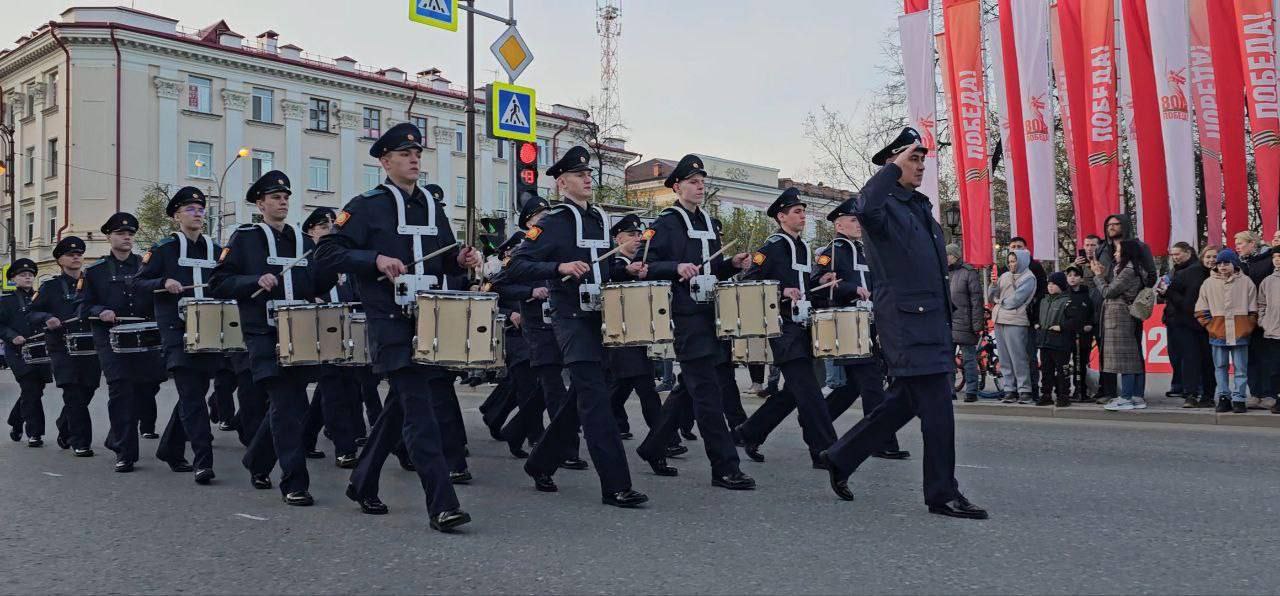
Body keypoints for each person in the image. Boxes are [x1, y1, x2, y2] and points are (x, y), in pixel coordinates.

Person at [313, 122, 475, 530]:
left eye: (417, 153)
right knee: (421, 413)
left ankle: (362, 480)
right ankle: (442, 504)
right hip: (391, 323)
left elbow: (443, 259)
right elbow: (328, 252)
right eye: (404, 154)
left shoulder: (431, 206)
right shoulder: (366, 205)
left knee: (401, 405)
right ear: (385, 162)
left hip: (431, 319)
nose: (414, 159)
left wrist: (461, 262)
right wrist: (374, 260)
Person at [818, 129, 986, 520]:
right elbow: (863, 205)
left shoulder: (919, 205)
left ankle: (840, 458)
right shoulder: (882, 206)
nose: (921, 165)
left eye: (923, 158)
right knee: (939, 409)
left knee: (902, 405)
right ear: (894, 163)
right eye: (913, 158)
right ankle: (942, 493)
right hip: (907, 326)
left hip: (931, 324)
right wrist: (891, 170)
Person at [500, 144, 650, 506]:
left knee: (581, 397)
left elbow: (598, 266)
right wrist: (558, 268)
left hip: (602, 319)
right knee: (596, 400)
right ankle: (616, 485)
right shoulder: (552, 222)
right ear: (561, 183)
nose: (587, 179)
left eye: (588, 174)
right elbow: (515, 267)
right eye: (579, 175)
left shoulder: (599, 218)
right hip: (569, 319)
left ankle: (540, 462)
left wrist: (623, 269)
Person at [209, 170, 336, 506]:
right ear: (260, 203)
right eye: (275, 197)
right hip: (263, 334)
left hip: (302, 333)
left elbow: (318, 284)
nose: (282, 202)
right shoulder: (245, 238)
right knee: (285, 403)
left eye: (285, 197)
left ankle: (257, 459)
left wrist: (333, 268)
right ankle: (295, 483)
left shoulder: (304, 242)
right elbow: (218, 282)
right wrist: (253, 281)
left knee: (289, 404)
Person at [631, 153, 753, 488]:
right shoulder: (664, 224)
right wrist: (675, 267)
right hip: (685, 316)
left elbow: (711, 268)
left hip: (713, 313)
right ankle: (725, 467)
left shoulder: (711, 224)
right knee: (707, 393)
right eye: (693, 183)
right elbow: (645, 266)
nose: (700, 188)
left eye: (702, 183)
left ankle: (653, 446)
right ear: (676, 186)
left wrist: (731, 264)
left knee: (690, 388)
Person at [135, 187, 223, 482]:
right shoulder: (163, 249)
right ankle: (203, 460)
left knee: (195, 394)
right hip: (176, 333)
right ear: (176, 216)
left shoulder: (215, 248)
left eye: (200, 209)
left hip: (210, 331)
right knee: (193, 396)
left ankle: (171, 449)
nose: (197, 214)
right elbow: (138, 284)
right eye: (190, 209)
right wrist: (164, 281)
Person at [78, 212, 167, 473]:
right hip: (111, 340)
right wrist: (100, 311)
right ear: (109, 237)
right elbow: (83, 307)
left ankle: (115, 437)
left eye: (130, 234)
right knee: (121, 390)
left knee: (144, 391)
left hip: (144, 339)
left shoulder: (144, 266)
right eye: (121, 233)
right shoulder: (94, 271)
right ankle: (125, 453)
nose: (127, 237)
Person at [492, 195, 554, 459]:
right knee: (533, 386)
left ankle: (513, 429)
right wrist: (530, 291)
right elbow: (497, 285)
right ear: (529, 223)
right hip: (526, 327)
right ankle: (536, 438)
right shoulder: (521, 250)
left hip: (556, 324)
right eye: (541, 217)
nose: (547, 221)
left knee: (546, 387)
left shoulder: (554, 246)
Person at [29, 236, 101, 457]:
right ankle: (81, 442)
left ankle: (64, 422)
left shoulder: (92, 282)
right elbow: (32, 313)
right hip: (62, 346)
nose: (76, 257)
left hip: (90, 345)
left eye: (79, 254)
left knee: (88, 388)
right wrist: (47, 318)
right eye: (71, 254)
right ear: (60, 260)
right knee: (73, 392)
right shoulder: (49, 286)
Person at [300, 207, 361, 469]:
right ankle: (344, 448)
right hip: (319, 328)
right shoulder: (305, 259)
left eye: (332, 228)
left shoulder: (343, 259)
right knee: (334, 389)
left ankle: (305, 438)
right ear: (311, 232)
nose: (329, 233)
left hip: (345, 328)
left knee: (332, 388)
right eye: (324, 228)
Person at [604, 214, 663, 441]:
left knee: (623, 385)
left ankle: (605, 421)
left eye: (639, 234)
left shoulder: (645, 263)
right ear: (618, 239)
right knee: (645, 384)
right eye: (631, 235)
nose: (637, 238)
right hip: (621, 332)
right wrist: (630, 272)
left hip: (641, 332)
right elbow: (612, 277)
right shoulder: (615, 264)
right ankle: (664, 437)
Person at [1195, 249, 1258, 414]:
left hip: (1240, 331)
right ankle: (1224, 397)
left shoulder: (1246, 282)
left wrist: (1248, 325)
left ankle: (1239, 398)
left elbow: (1253, 308)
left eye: (1226, 263)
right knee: (1220, 366)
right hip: (1218, 331)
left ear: (1234, 264)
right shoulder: (1208, 283)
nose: (1222, 266)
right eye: (1219, 263)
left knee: (1240, 367)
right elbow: (1201, 308)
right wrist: (1210, 325)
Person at [1, 258, 53, 447]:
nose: (28, 278)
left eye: (31, 275)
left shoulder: (41, 297)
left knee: (36, 390)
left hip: (41, 350)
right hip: (17, 352)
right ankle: (35, 433)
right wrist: (11, 336)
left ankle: (16, 420)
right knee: (30, 389)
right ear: (14, 278)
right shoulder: (5, 301)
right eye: (23, 275)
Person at [1092, 239, 1148, 411]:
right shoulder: (1129, 269)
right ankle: (1136, 396)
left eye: (1117, 251)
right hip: (1122, 315)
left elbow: (1108, 291)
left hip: (1120, 316)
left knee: (1126, 359)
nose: (1115, 254)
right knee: (1132, 357)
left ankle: (1126, 397)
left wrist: (1098, 276)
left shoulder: (1128, 271)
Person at [1163, 243, 1217, 408]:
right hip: (1188, 323)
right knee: (1190, 359)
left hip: (1212, 325)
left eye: (1215, 257)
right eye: (1208, 257)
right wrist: (1186, 305)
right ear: (1202, 258)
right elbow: (1171, 291)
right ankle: (1191, 394)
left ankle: (1208, 395)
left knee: (1209, 361)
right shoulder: (1189, 273)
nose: (1212, 260)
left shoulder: (1222, 274)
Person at [1034, 272, 1089, 407]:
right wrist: (1037, 324)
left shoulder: (1067, 301)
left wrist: (1062, 327)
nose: (1050, 287)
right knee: (1046, 370)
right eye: (1049, 284)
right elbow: (1037, 315)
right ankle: (1046, 394)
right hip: (1045, 341)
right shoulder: (1044, 301)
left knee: (1062, 370)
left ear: (1060, 285)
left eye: (1053, 284)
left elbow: (1075, 320)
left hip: (1061, 342)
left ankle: (1063, 395)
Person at [1235, 231, 1275, 409]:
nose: (1237, 246)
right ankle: (1255, 393)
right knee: (1249, 357)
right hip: (1245, 317)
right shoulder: (1238, 264)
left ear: (1252, 244)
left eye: (1241, 243)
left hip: (1266, 317)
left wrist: (1265, 317)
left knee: (1267, 357)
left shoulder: (1268, 260)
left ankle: (1269, 394)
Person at [991, 249, 1036, 404]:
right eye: (1009, 261)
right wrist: (993, 284)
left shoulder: (1029, 277)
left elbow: (1016, 299)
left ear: (1022, 261)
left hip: (1016, 320)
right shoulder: (1004, 276)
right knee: (1004, 357)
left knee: (1018, 357)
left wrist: (999, 301)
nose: (1011, 264)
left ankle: (1025, 390)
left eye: (1014, 261)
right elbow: (992, 295)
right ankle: (1009, 388)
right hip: (999, 319)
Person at [1006, 237, 1046, 395]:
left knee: (1029, 356)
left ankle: (1033, 388)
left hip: (1029, 319)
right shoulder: (1005, 268)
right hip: (1010, 319)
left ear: (1026, 248)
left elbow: (1042, 292)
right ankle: (1014, 388)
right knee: (1012, 356)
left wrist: (1035, 316)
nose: (1016, 249)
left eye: (1019, 246)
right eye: (1013, 246)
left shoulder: (1035, 267)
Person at [948, 244, 984, 402]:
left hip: (965, 323)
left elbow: (976, 301)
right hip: (947, 324)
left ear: (955, 256)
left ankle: (971, 391)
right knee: (946, 359)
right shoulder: (944, 273)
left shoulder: (969, 273)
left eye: (947, 255)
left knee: (969, 359)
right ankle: (949, 390)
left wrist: (977, 325)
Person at [1063, 266, 1097, 403]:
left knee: (1081, 363)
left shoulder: (1088, 294)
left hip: (1083, 335)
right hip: (1067, 334)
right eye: (1069, 275)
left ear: (1081, 278)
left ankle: (1082, 390)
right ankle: (1065, 390)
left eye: (1075, 275)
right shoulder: (1064, 294)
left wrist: (1090, 325)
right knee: (1066, 364)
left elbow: (1093, 312)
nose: (1072, 278)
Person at [1256, 249, 1280, 414]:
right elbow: (1261, 304)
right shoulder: (1267, 281)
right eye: (1275, 257)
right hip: (1273, 332)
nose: (1277, 260)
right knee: (1275, 369)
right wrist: (1264, 322)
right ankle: (1278, 399)